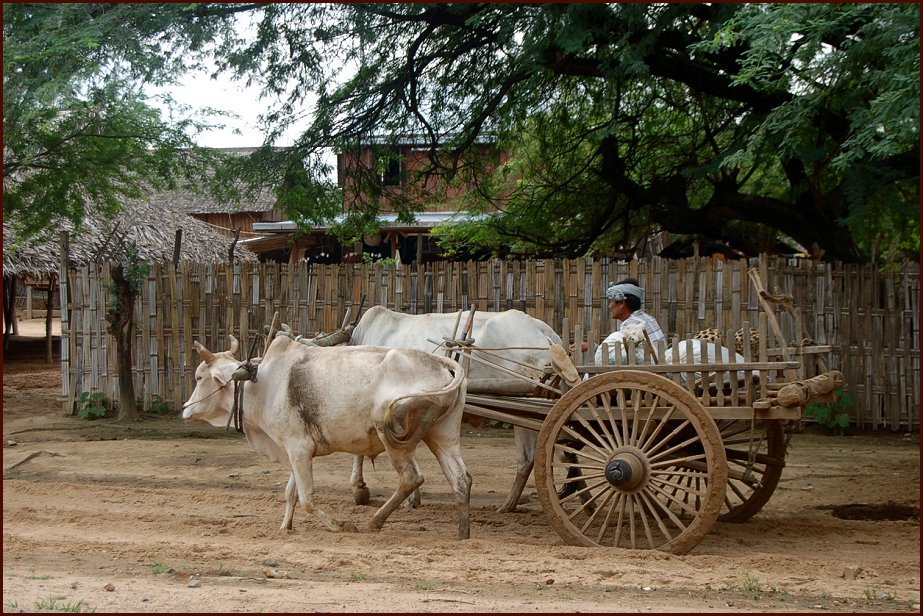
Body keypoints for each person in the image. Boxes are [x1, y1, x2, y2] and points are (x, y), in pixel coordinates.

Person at [587, 277, 666, 366]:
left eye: (611, 301)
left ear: (621, 304)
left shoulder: (630, 326)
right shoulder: (649, 318)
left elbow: (627, 357)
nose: (609, 306)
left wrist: (593, 348)